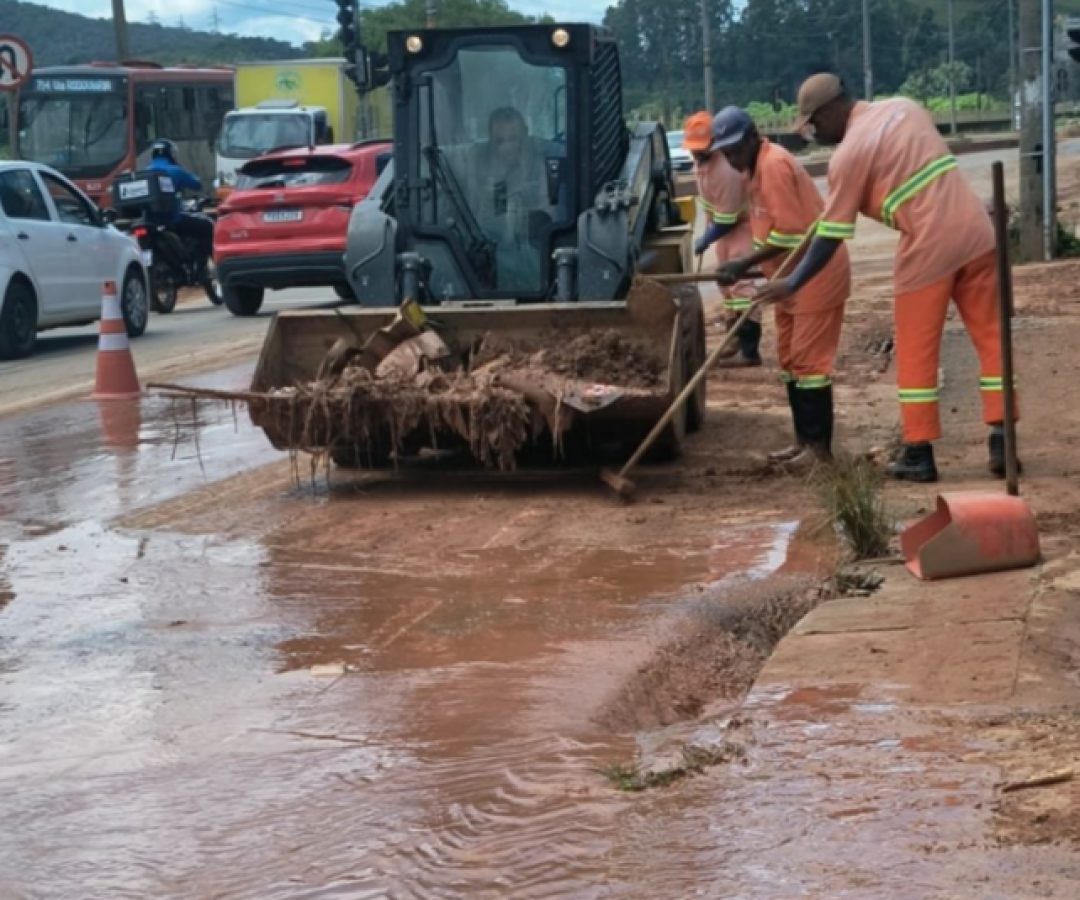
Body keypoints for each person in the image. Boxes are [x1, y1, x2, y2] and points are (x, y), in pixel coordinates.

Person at [755, 74, 1017, 483]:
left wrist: (793, 281)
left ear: (830, 111)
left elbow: (830, 235)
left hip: (929, 245)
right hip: (978, 232)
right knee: (991, 336)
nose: (814, 135)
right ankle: (1004, 438)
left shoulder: (849, 154)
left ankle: (918, 452)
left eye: (813, 125)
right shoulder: (905, 107)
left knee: (915, 351)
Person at [709, 107, 852, 467]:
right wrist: (751, 268)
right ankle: (803, 443)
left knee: (809, 364)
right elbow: (768, 228)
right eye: (724, 152)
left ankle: (819, 452)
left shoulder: (772, 166)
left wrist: (743, 264)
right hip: (786, 280)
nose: (730, 157)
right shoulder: (751, 170)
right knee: (790, 361)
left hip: (813, 275)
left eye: (735, 149)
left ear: (752, 137)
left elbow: (790, 233)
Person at [682, 111, 762, 367]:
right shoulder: (702, 163)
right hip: (722, 231)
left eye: (701, 149)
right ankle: (733, 340)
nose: (696, 154)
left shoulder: (726, 170)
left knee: (742, 288)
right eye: (693, 150)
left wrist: (705, 239)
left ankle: (749, 352)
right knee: (726, 285)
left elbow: (727, 218)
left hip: (739, 229)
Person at [462, 107, 561, 292]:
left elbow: (549, 210)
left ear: (525, 134)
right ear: (491, 141)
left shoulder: (541, 163)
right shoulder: (481, 165)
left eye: (513, 139)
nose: (507, 147)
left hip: (534, 249)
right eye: (500, 141)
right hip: (494, 251)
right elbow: (476, 216)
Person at [145, 139, 214, 277]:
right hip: (173, 220)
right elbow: (197, 184)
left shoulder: (143, 172)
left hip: (149, 221)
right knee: (208, 226)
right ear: (171, 154)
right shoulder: (175, 170)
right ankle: (201, 267)